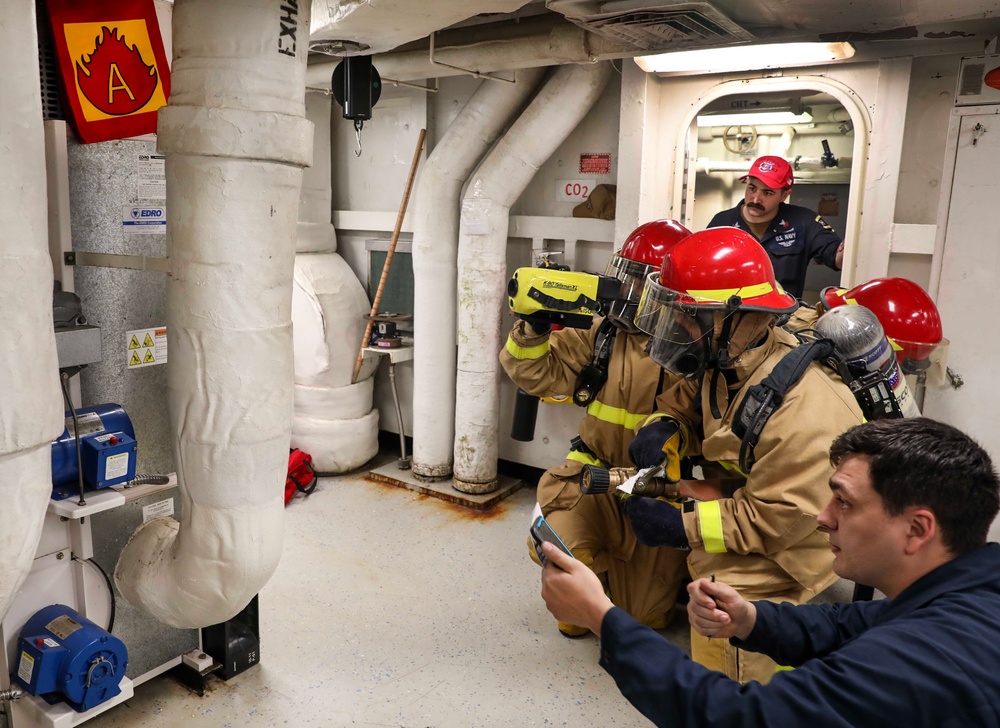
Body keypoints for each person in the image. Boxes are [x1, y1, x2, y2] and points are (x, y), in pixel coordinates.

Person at [539, 417, 1000, 728]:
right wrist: (751, 620)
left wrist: (602, 617)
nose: (823, 516)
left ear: (917, 528)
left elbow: (735, 717)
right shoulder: (973, 585)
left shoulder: (917, 663)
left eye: (845, 501)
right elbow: (855, 624)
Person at [621, 226, 864, 683]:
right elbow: (683, 401)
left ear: (737, 316)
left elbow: (781, 518)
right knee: (683, 498)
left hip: (795, 544)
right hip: (753, 491)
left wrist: (681, 526)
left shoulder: (805, 407)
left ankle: (739, 691)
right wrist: (664, 427)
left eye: (689, 316)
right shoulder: (732, 355)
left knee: (725, 606)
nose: (679, 328)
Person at [499, 219, 692, 638]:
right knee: (560, 565)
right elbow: (536, 374)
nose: (629, 292)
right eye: (627, 277)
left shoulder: (694, 349)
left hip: (655, 489)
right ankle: (586, 582)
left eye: (642, 283)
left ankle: (654, 581)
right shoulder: (602, 333)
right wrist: (533, 328)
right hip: (593, 479)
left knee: (645, 619)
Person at [707, 155, 844, 299]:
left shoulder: (804, 221)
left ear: (784, 195)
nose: (755, 199)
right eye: (752, 188)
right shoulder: (722, 222)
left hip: (784, 318)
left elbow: (837, 258)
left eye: (767, 192)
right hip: (729, 315)